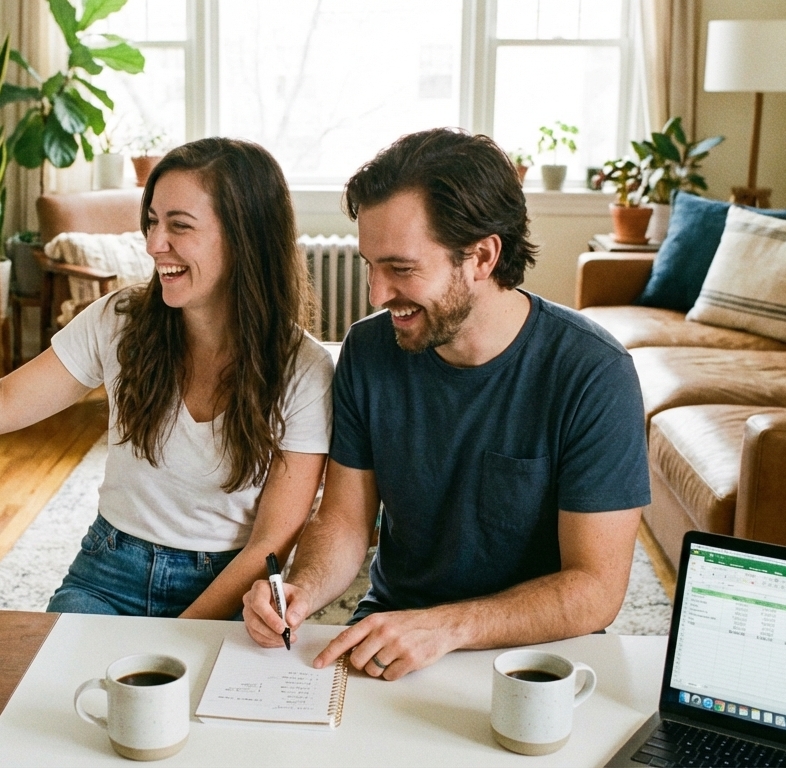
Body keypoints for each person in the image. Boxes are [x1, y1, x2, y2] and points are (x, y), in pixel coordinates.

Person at [0, 138, 333, 619]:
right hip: (109, 573)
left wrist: (170, 644)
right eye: (151, 222)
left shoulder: (305, 372)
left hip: (228, 587)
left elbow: (270, 543)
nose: (153, 244)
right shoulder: (118, 319)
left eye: (179, 226)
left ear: (246, 236)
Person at [242, 128, 650, 678]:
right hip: (393, 632)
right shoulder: (368, 349)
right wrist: (301, 591)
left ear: (482, 256)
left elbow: (595, 588)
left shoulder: (593, 373)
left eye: (401, 269)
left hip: (541, 652)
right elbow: (344, 520)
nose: (376, 294)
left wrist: (447, 627)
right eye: (370, 265)